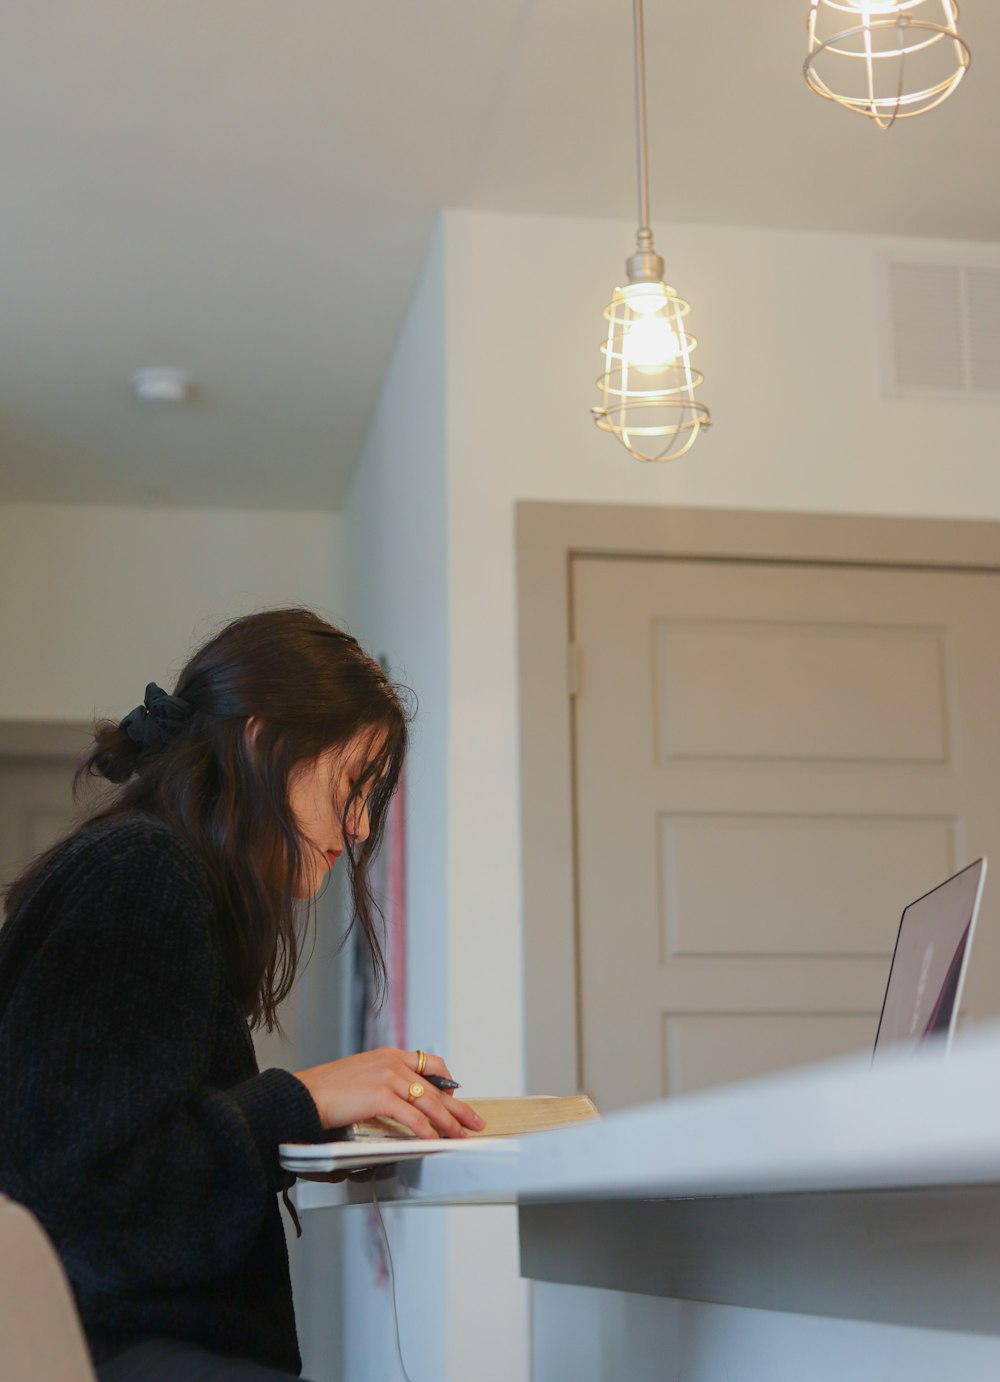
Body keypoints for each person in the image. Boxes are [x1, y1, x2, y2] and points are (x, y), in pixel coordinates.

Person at [0, 608, 483, 1380]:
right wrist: (302, 1097)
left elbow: (144, 1147)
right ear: (262, 741)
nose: (360, 827)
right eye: (354, 787)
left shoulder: (155, 872)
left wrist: (329, 1124)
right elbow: (99, 1198)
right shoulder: (142, 873)